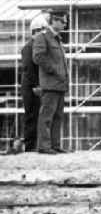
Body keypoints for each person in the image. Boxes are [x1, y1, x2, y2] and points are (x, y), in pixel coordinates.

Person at [33, 12, 69, 154]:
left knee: (57, 116)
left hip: (59, 84)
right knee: (47, 116)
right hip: (50, 84)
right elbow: (38, 57)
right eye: (63, 22)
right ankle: (44, 146)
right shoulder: (42, 37)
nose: (65, 25)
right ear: (54, 21)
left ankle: (55, 145)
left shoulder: (57, 39)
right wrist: (54, 70)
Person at [20, 15, 48, 152]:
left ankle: (36, 146)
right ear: (35, 32)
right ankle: (30, 147)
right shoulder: (28, 48)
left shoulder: (37, 47)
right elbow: (28, 69)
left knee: (38, 117)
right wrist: (36, 85)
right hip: (31, 88)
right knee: (31, 116)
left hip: (36, 86)